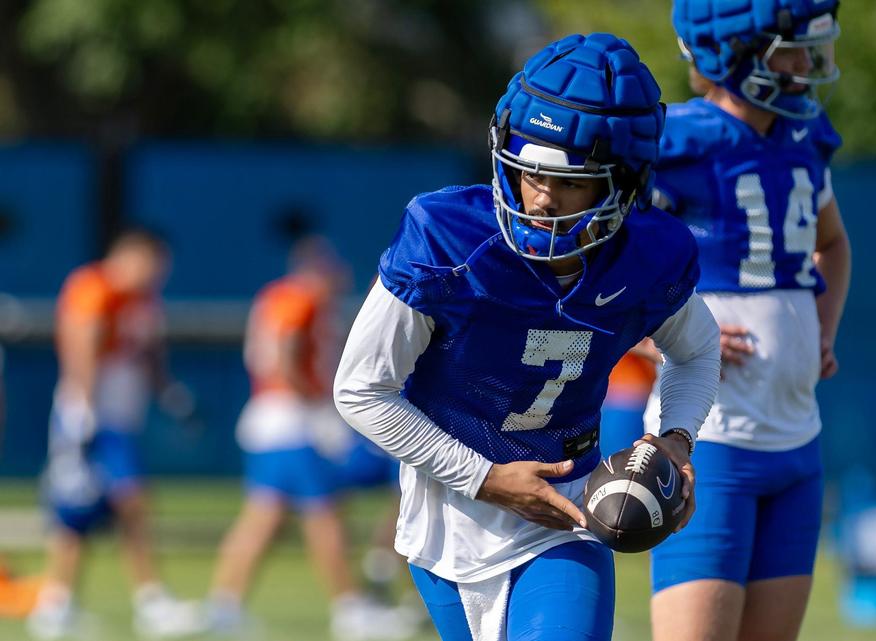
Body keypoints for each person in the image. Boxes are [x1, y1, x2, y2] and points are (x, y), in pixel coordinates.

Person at [334, 33, 721, 641]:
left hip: (566, 512)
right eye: (528, 173)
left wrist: (674, 440)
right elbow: (361, 389)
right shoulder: (448, 241)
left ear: (622, 181)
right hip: (448, 514)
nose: (540, 199)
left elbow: (697, 351)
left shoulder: (647, 255)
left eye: (570, 182)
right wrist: (485, 478)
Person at [643, 2, 851, 640]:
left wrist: (823, 328)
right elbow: (606, 259)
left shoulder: (803, 139)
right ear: (736, 57)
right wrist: (655, 336)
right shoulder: (677, 140)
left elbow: (834, 244)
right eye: (788, 50)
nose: (803, 65)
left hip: (796, 439)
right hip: (710, 438)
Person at [204, 237, 414, 641]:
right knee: (324, 514)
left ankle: (225, 604)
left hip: (274, 418)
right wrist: (317, 404)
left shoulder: (280, 297)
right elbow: (284, 353)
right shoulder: (299, 299)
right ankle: (350, 607)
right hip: (291, 419)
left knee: (264, 518)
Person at [28, 229, 202, 640]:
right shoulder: (94, 286)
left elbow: (149, 355)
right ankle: (151, 600)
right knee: (130, 503)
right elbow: (80, 343)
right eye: (153, 262)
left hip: (120, 418)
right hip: (93, 418)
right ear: (130, 254)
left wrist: (170, 394)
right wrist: (82, 407)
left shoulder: (144, 301)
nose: (157, 273)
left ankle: (55, 603)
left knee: (80, 515)